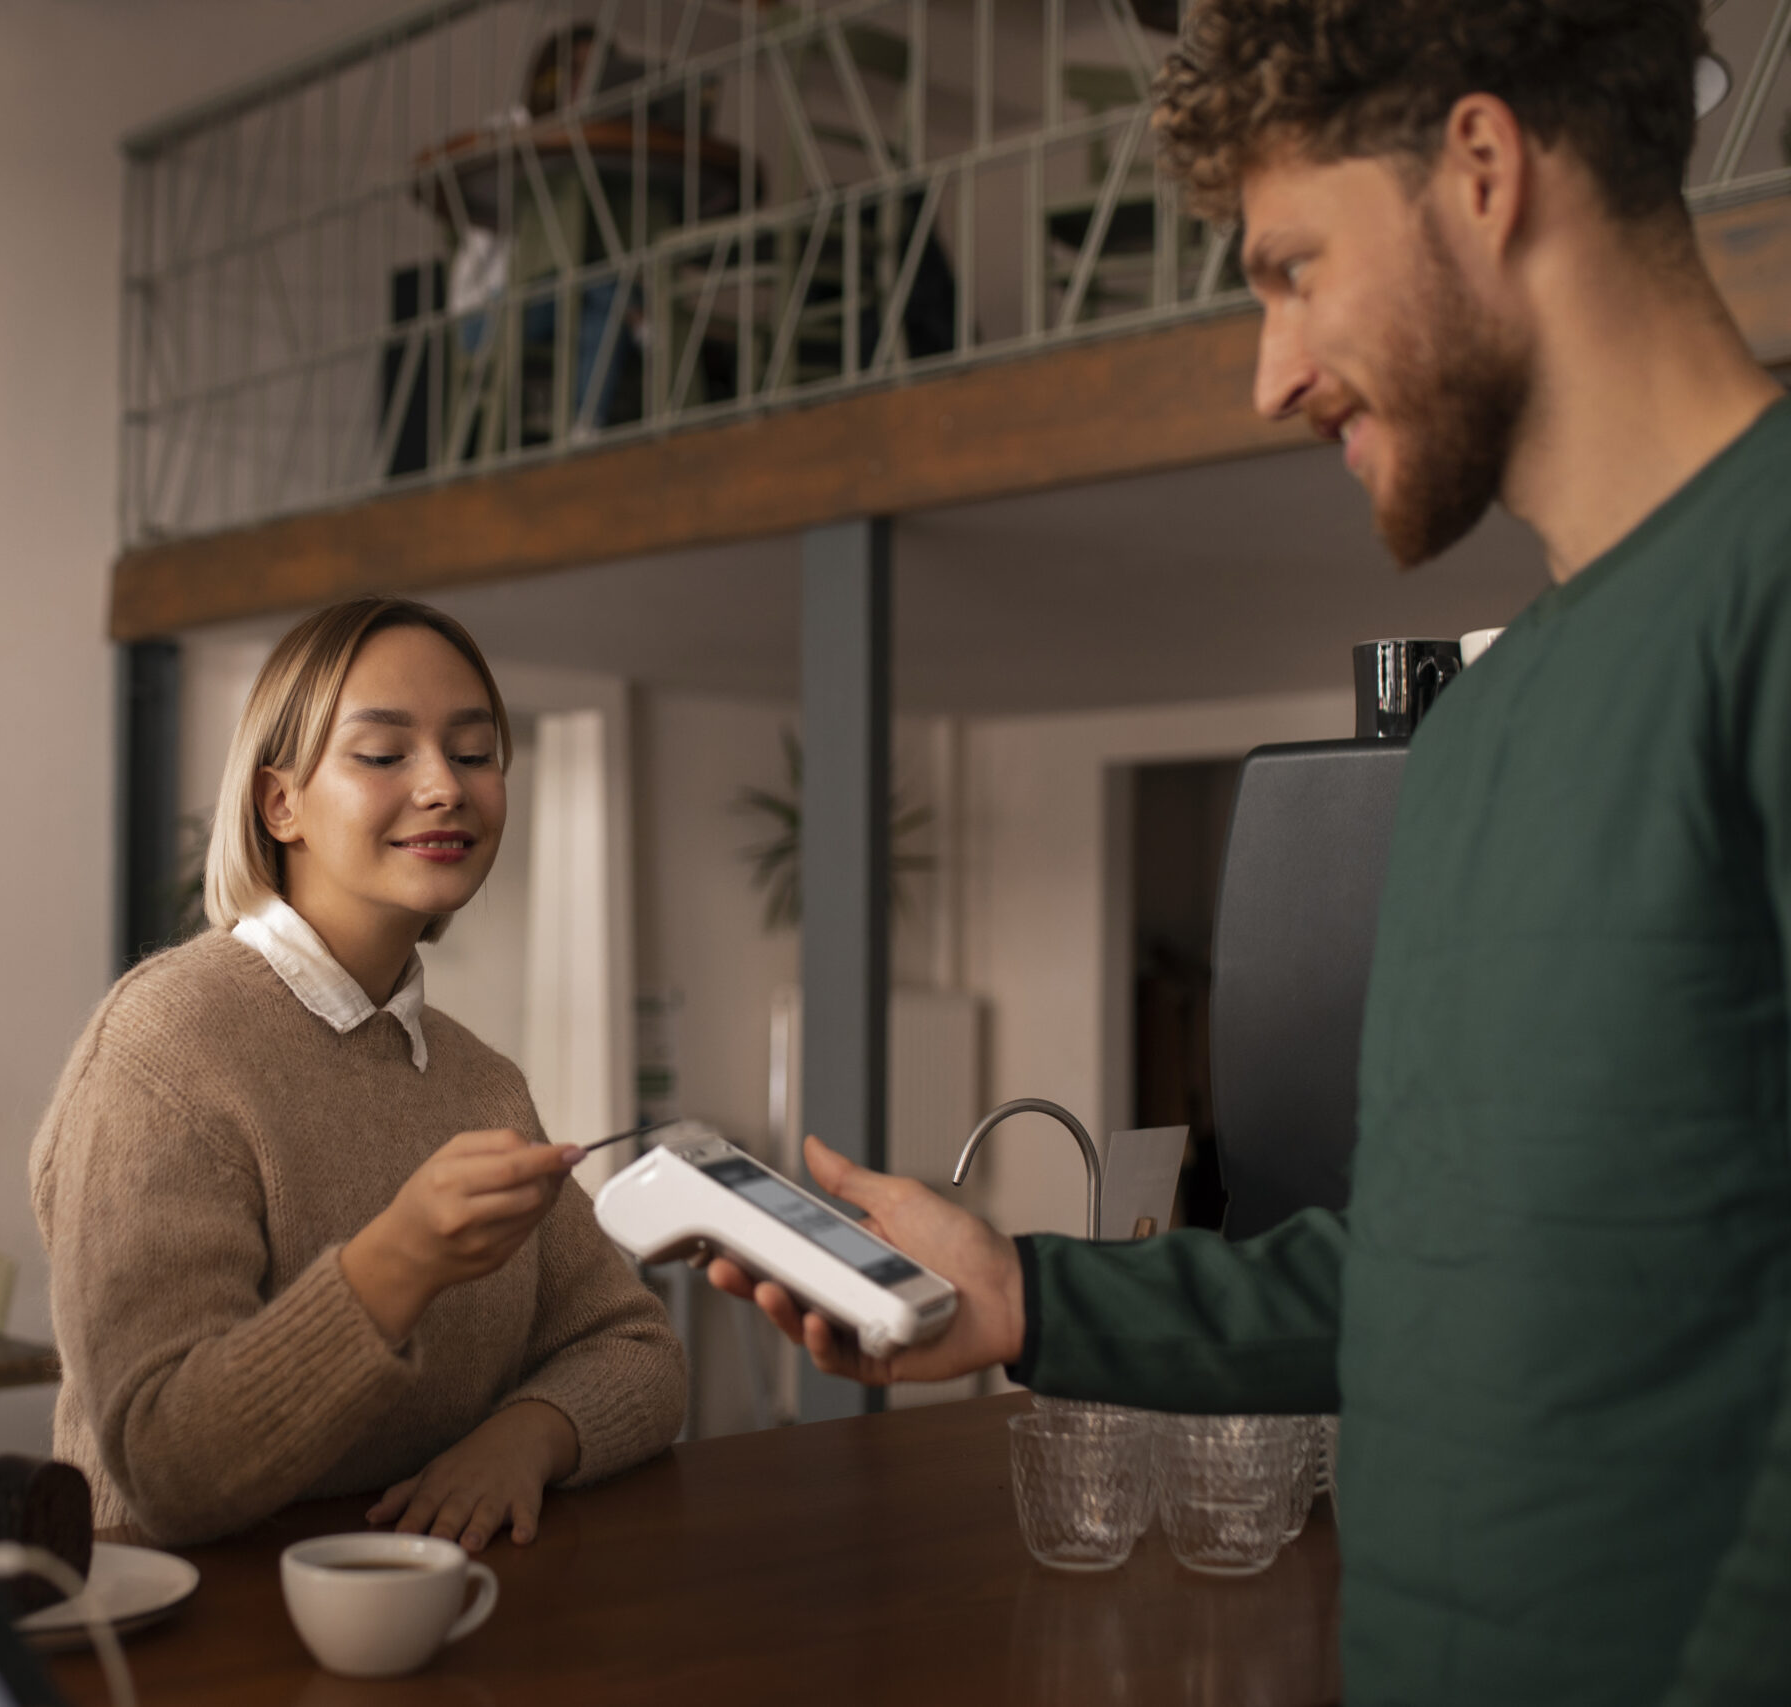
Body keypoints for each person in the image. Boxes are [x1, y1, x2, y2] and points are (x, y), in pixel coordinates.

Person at [712, 3, 1788, 1703]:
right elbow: (1423, 1270)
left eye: (1289, 269)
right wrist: (1026, 1299)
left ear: (1484, 169)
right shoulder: (1477, 743)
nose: (1267, 370)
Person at [31, 596, 685, 1549]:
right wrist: (402, 1259)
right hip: (190, 1647)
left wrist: (525, 1438)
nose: (445, 787)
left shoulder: (481, 1080)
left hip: (433, 1625)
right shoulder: (164, 1048)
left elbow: (637, 1349)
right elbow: (166, 1463)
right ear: (279, 802)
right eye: (383, 755)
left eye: (473, 753)